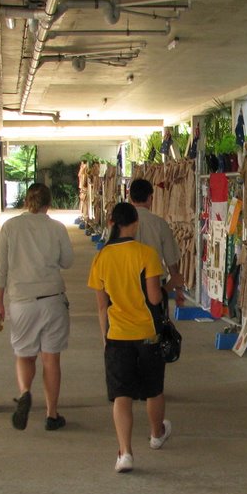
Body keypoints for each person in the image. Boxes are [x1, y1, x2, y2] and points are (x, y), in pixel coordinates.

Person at [87, 202, 173, 473]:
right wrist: (167, 287)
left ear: (112, 222)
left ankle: (125, 453)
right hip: (147, 333)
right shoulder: (146, 254)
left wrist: (105, 337)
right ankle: (157, 434)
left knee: (121, 394)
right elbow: (154, 298)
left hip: (118, 334)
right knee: (153, 389)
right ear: (135, 224)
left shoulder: (101, 258)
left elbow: (102, 306)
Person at [0, 183, 74, 431]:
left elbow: (0, 268)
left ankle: (25, 392)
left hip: (21, 302)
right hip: (52, 298)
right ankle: (51, 414)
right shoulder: (57, 228)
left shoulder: (10, 227)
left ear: (27, 202)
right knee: (51, 359)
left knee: (24, 355)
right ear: (49, 204)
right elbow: (67, 261)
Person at [128, 178, 187, 306]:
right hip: (156, 283)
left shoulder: (121, 223)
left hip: (127, 282)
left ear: (130, 198)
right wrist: (178, 289)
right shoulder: (160, 224)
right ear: (150, 198)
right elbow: (171, 260)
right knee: (155, 319)